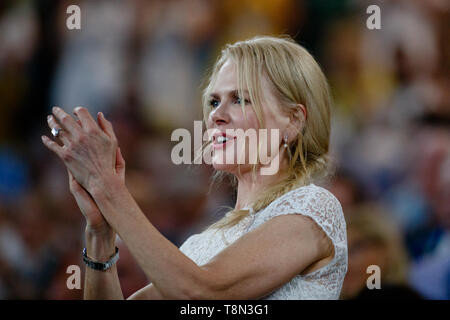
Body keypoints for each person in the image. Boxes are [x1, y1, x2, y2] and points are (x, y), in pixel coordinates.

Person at [41, 35, 347, 299]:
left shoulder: (315, 208)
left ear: (292, 121)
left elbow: (202, 292)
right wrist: (101, 233)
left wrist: (109, 190)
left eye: (240, 99)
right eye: (214, 102)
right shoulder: (199, 246)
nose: (217, 116)